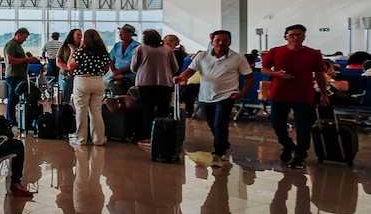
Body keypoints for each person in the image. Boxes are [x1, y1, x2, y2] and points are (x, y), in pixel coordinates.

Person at [175, 30, 254, 167]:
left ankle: (218, 154)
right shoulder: (202, 56)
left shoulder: (238, 58)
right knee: (213, 125)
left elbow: (249, 77)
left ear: (230, 42)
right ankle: (225, 145)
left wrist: (242, 93)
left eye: (225, 40)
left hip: (227, 96)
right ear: (212, 42)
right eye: (218, 40)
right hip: (205, 97)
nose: (221, 43)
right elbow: (190, 71)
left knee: (220, 124)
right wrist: (181, 78)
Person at [260, 24, 328, 169]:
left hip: (303, 95)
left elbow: (320, 74)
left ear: (304, 37)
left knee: (303, 127)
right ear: (286, 37)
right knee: (277, 124)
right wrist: (276, 74)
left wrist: (324, 94)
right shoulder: (276, 52)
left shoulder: (313, 54)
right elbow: (265, 69)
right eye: (292, 35)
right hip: (279, 94)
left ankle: (300, 156)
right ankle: (288, 145)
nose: (296, 37)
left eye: (299, 35)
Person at [129, 28, 179, 146]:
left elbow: (133, 68)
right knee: (163, 110)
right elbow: (175, 68)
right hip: (165, 83)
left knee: (147, 110)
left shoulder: (140, 49)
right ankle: (161, 135)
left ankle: (148, 136)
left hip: (146, 83)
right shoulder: (167, 50)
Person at [64, 29, 110, 146]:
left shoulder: (81, 52)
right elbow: (107, 67)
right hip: (98, 81)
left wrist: (72, 53)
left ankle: (81, 139)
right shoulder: (103, 53)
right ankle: (98, 139)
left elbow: (70, 66)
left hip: (83, 80)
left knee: (81, 111)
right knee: (96, 111)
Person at [3, 27, 36, 123]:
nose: (24, 40)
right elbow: (10, 60)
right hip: (14, 75)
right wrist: (26, 60)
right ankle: (10, 119)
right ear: (18, 35)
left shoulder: (17, 45)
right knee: (13, 98)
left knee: (16, 97)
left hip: (19, 75)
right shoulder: (11, 45)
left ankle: (17, 119)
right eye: (24, 38)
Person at [57, 28, 82, 104]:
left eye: (81, 35)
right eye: (77, 35)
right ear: (72, 36)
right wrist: (69, 68)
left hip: (79, 75)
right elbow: (58, 62)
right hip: (66, 74)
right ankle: (65, 111)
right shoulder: (65, 47)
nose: (80, 36)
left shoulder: (82, 48)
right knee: (65, 97)